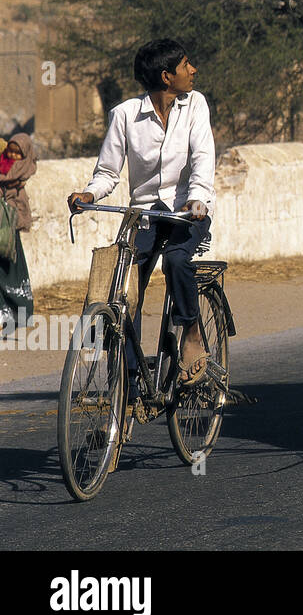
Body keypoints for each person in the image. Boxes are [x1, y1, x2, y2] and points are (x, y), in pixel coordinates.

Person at [68, 40, 215, 385]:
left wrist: (196, 200)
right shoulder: (124, 116)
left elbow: (203, 159)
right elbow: (108, 172)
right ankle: (127, 378)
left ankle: (191, 331)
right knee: (123, 290)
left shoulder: (195, 105)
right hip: (145, 215)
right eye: (185, 65)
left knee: (177, 262)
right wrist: (88, 193)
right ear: (167, 77)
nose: (193, 70)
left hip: (185, 212)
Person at [0, 133, 37, 335]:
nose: (13, 155)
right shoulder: (2, 163)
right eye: (11, 151)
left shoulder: (24, 169)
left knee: (13, 271)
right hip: (1, 226)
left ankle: (19, 315)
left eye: (17, 152)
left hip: (9, 229)